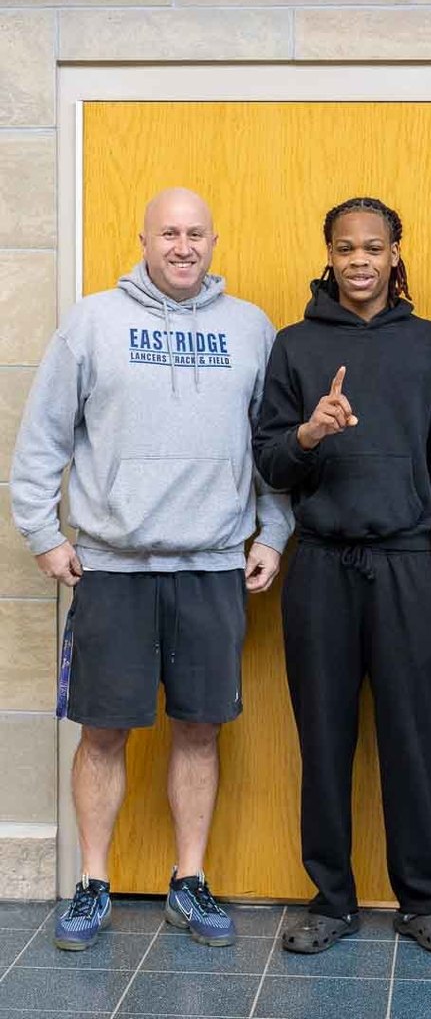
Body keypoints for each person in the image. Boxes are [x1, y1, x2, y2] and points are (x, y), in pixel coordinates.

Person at [10, 187, 293, 951]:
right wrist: (42, 532)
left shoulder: (250, 328)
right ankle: (93, 883)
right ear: (142, 239)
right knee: (103, 732)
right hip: (113, 567)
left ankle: (188, 881)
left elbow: (272, 448)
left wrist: (272, 532)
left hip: (213, 566)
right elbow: (42, 441)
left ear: (214, 241)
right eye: (168, 232)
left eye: (196, 233)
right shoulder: (94, 322)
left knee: (199, 730)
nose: (182, 245)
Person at [254, 196, 431, 956]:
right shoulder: (294, 346)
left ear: (393, 254)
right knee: (324, 736)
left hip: (409, 566)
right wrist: (310, 432)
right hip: (320, 569)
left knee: (414, 737)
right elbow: (271, 461)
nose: (358, 261)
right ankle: (331, 899)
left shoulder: (428, 345)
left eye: (372, 248)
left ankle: (423, 899)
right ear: (328, 254)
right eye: (344, 248)